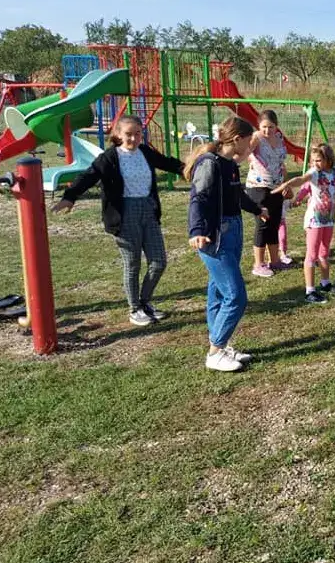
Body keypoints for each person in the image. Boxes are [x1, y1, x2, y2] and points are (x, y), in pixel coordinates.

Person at [51, 114, 186, 326]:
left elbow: (168, 163)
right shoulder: (110, 157)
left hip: (148, 210)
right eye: (128, 134)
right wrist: (70, 197)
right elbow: (88, 176)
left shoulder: (145, 152)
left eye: (138, 134)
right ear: (119, 134)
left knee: (159, 262)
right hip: (124, 213)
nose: (133, 139)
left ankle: (145, 303)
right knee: (132, 263)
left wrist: (191, 168)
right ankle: (135, 309)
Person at [187, 117, 269, 372]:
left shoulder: (230, 165)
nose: (251, 146)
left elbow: (238, 195)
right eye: (249, 141)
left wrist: (256, 209)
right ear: (237, 139)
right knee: (236, 296)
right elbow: (198, 198)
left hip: (233, 231)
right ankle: (215, 353)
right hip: (215, 236)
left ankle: (220, 346)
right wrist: (197, 230)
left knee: (218, 293)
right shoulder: (209, 163)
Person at [271, 144, 335, 304]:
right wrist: (287, 184)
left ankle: (325, 283)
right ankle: (310, 291)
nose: (314, 163)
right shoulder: (314, 173)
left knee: (324, 253)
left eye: (318, 160)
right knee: (312, 255)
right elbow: (301, 180)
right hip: (314, 220)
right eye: (313, 160)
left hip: (329, 219)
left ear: (328, 159)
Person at [245, 110, 289, 277]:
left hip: (277, 186)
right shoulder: (256, 138)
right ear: (258, 126)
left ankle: (275, 260)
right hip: (258, 186)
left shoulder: (279, 138)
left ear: (276, 126)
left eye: (271, 127)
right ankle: (258, 264)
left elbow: (281, 163)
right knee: (263, 224)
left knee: (274, 223)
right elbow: (245, 152)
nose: (267, 130)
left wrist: (286, 183)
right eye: (264, 126)